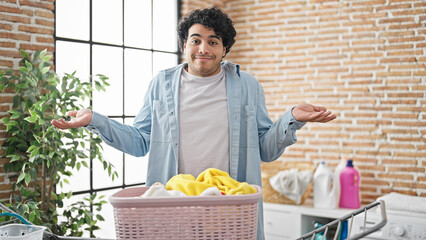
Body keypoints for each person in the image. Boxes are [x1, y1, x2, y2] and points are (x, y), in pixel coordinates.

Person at [52, 7, 336, 240]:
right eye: (196, 40)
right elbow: (140, 142)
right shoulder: (160, 85)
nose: (204, 48)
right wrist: (96, 121)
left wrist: (292, 119)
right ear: (183, 45)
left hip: (230, 208)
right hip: (174, 206)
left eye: (213, 41)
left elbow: (265, 149)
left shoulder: (248, 86)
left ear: (224, 49)